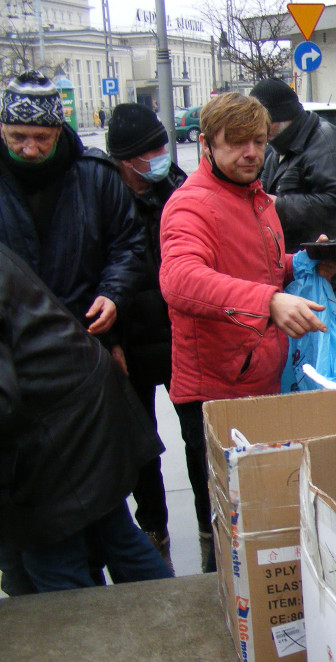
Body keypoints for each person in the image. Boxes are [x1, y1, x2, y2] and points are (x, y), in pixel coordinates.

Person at [159, 92, 330, 571]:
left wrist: (308, 262)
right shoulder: (191, 206)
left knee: (259, 518)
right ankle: (220, 617)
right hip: (214, 392)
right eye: (236, 143)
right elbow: (178, 280)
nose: (251, 153)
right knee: (225, 523)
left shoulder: (257, 199)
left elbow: (265, 269)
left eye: (258, 141)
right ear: (206, 146)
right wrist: (267, 302)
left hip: (260, 380)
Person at [1, 243, 173, 593]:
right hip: (75, 404)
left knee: (52, 563)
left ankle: (86, 645)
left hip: (53, 429)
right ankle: (179, 621)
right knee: (115, 534)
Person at [0, 71, 146, 347]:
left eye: (41, 137)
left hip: (82, 339)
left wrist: (113, 294)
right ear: (1, 129)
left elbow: (128, 244)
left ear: (58, 131)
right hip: (9, 349)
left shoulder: (95, 175)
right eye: (18, 136)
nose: (30, 149)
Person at [105, 102, 189, 570]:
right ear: (125, 158)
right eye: (151, 150)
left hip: (178, 336)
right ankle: (153, 526)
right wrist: (112, 340)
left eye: (162, 145)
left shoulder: (174, 183)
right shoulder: (106, 196)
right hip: (131, 342)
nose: (161, 154)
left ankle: (207, 520)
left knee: (196, 438)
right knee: (144, 446)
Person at [250, 78, 336, 321]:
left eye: (258, 122)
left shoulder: (328, 142)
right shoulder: (276, 148)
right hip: (298, 274)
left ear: (275, 118)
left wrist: (275, 205)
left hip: (330, 280)